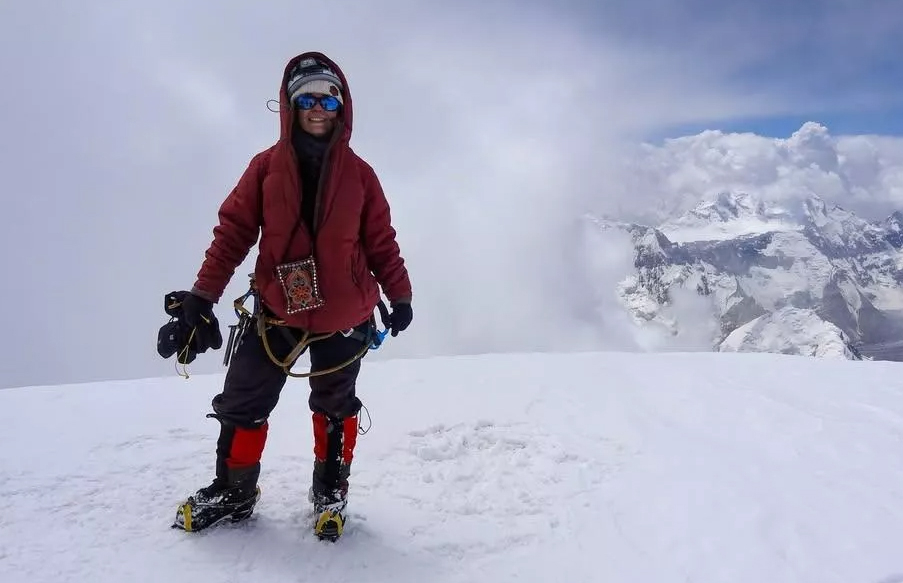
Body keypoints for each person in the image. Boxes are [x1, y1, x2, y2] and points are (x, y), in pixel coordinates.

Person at [159, 51, 413, 540]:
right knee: (243, 399)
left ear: (342, 107)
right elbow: (233, 233)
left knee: (336, 407)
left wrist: (399, 295)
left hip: (344, 317)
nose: (318, 109)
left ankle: (330, 495)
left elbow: (381, 241)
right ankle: (235, 492)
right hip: (277, 311)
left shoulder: (361, 176)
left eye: (328, 100)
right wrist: (202, 295)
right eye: (307, 99)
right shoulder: (264, 168)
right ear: (291, 106)